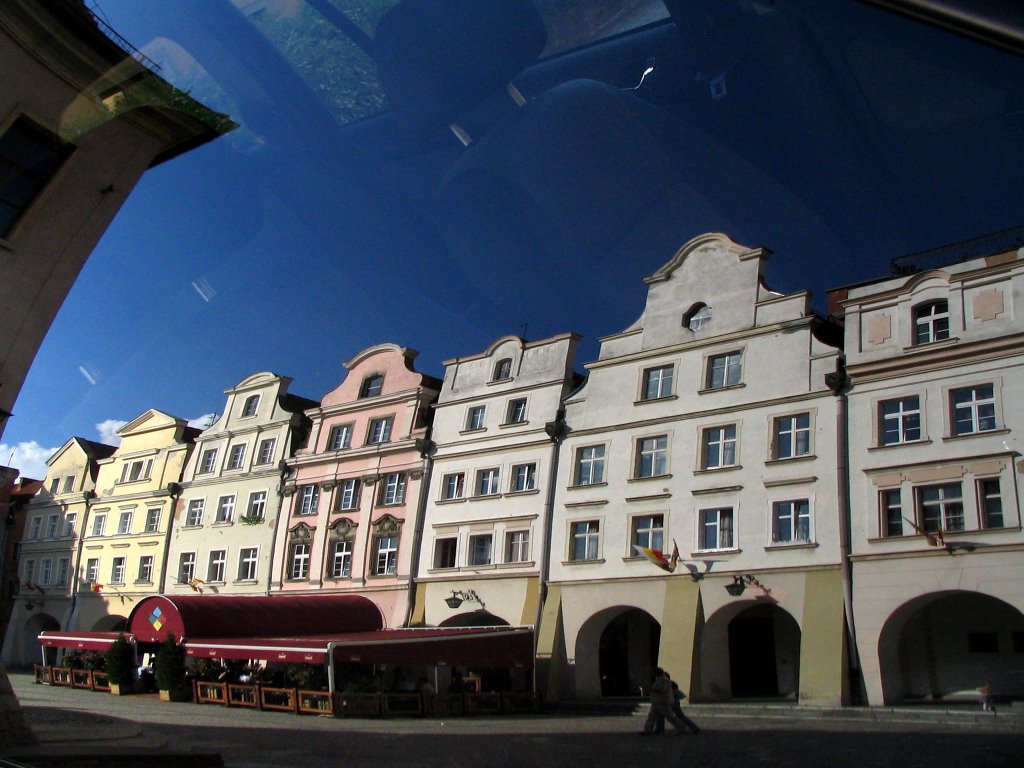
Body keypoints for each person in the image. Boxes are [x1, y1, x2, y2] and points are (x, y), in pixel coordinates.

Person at [639, 668, 694, 735]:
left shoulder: (664, 680)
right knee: (651, 717)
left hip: (663, 702)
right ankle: (648, 730)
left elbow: (662, 689)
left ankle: (681, 728)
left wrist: (653, 689)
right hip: (656, 701)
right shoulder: (659, 680)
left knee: (670, 716)